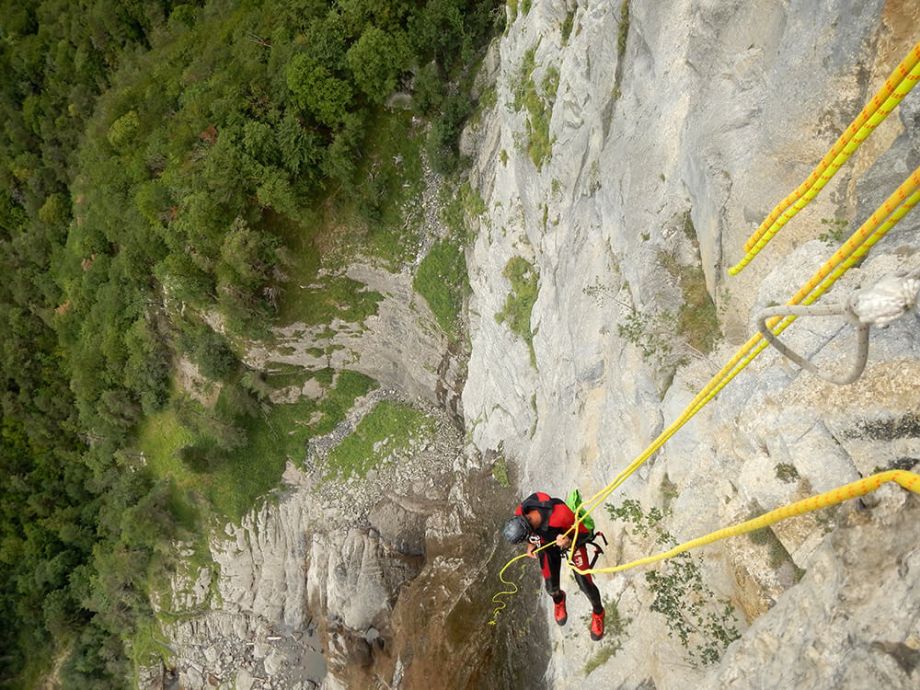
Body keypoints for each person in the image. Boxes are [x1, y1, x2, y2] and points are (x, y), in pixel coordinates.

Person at [501, 491, 605, 640]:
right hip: (547, 544)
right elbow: (532, 537)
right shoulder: (521, 513)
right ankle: (559, 600)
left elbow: (584, 534)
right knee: (551, 587)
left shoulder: (560, 515)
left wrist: (568, 541)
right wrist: (531, 544)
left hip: (572, 541)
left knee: (585, 584)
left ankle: (598, 612)